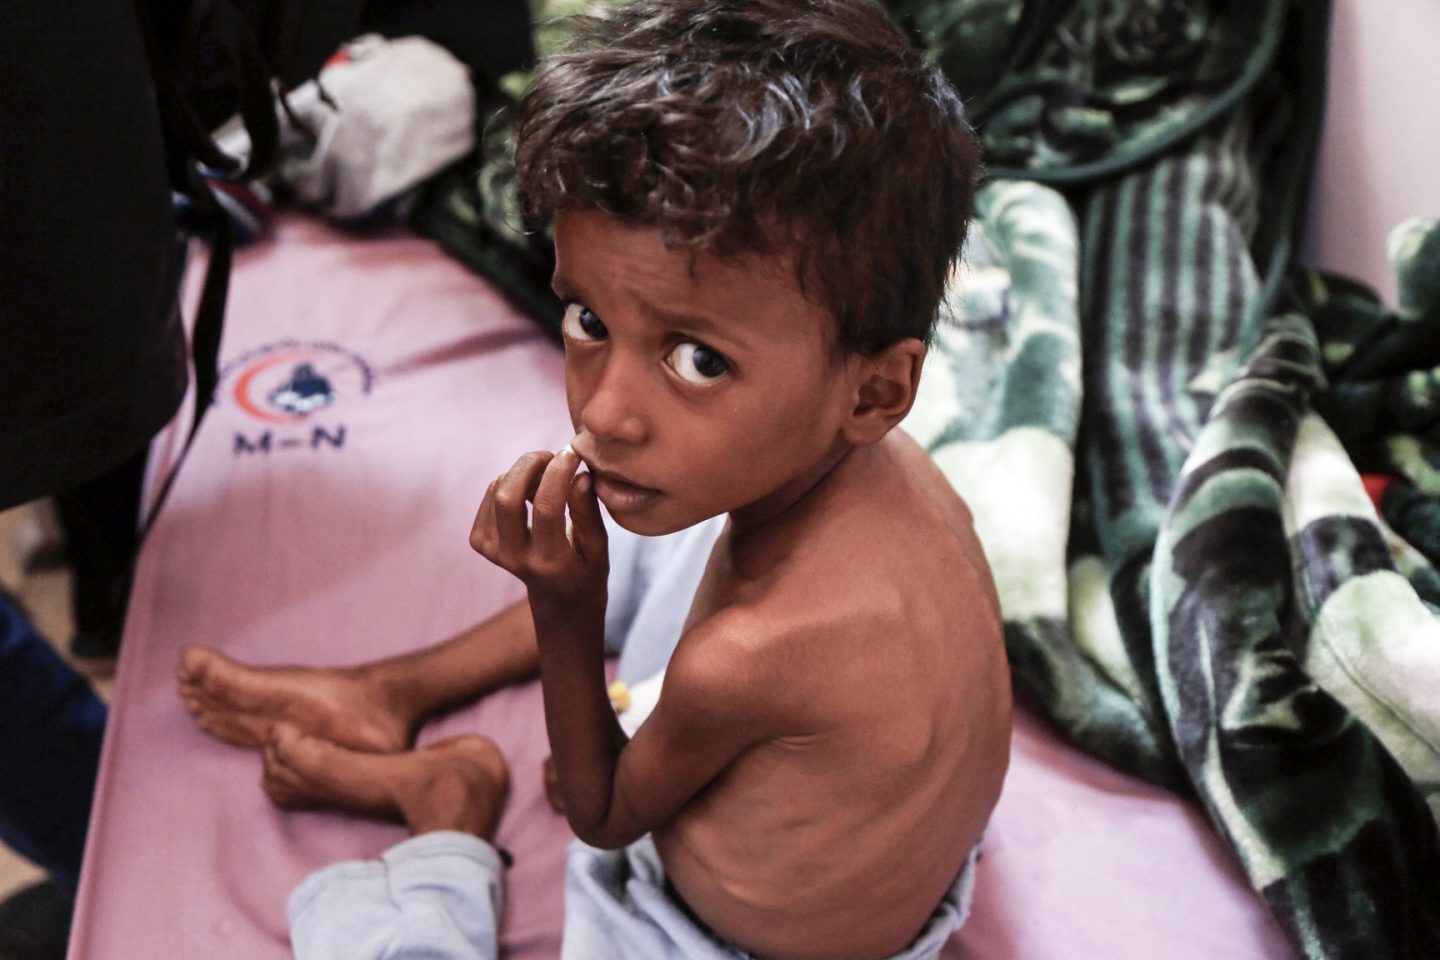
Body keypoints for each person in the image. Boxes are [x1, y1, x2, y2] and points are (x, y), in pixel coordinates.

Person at [179, 0, 1012, 957]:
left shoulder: (746, 656)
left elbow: (603, 813)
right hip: (855, 827)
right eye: (588, 321)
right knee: (671, 521)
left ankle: (447, 813)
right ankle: (390, 690)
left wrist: (565, 606)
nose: (604, 413)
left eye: (699, 359)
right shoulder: (892, 468)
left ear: (876, 390)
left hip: (708, 939)